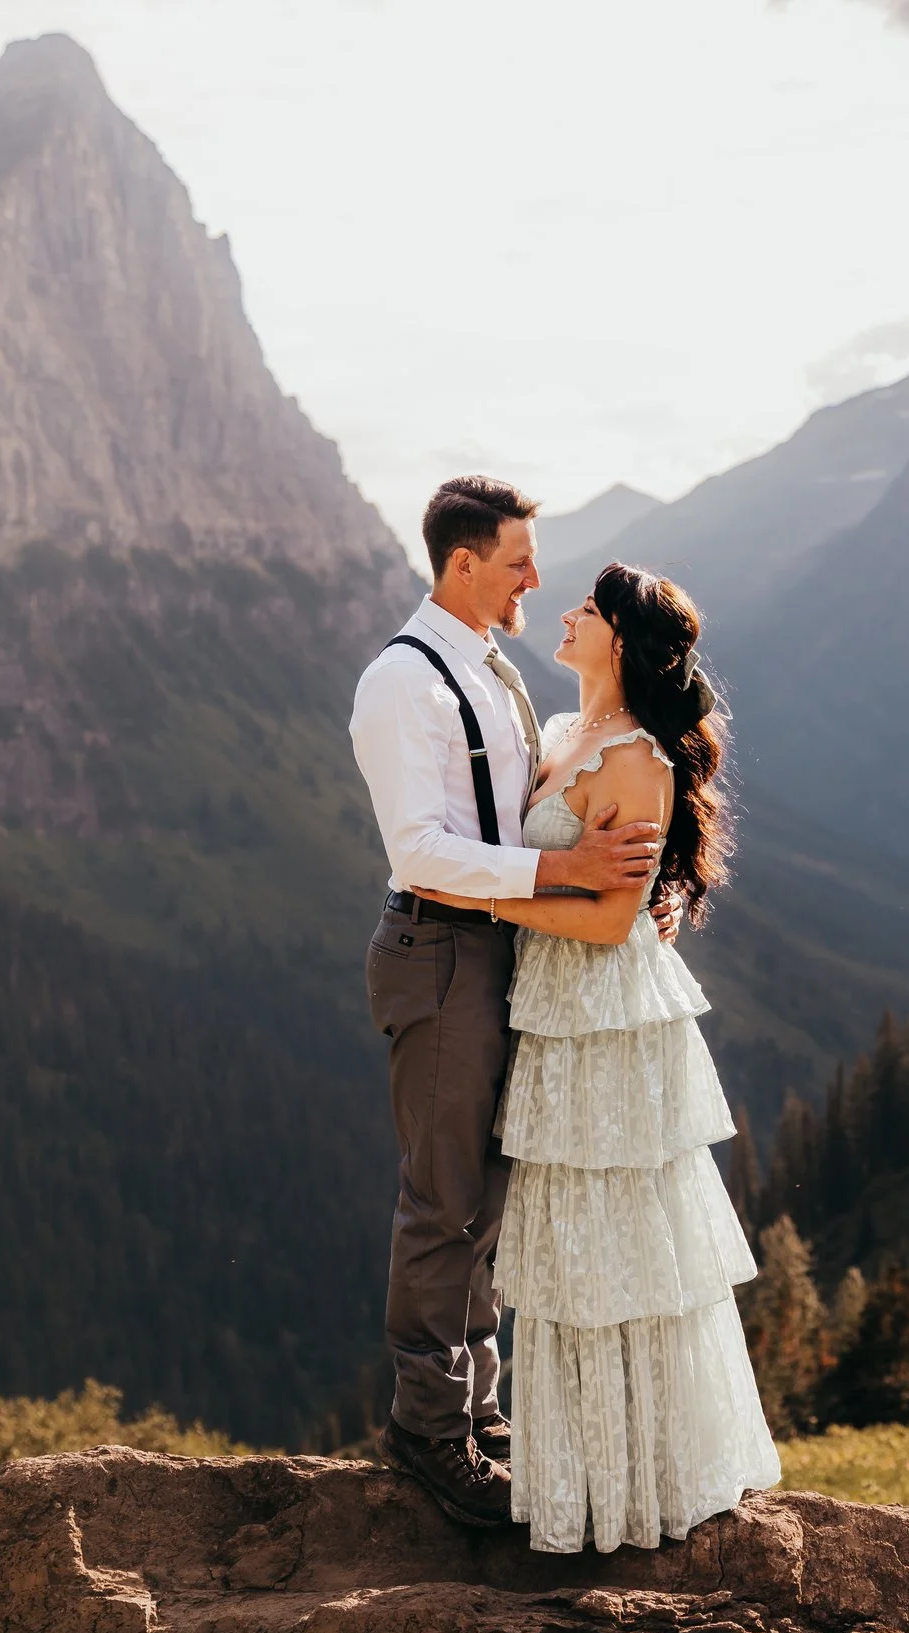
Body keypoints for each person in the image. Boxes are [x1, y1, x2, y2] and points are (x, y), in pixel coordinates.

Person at [407, 560, 781, 1553]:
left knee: (618, 1246)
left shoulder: (638, 760)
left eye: (586, 607)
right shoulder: (569, 735)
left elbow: (613, 914)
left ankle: (641, 1484)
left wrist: (475, 895)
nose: (564, 614)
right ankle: (581, 1477)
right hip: (558, 1016)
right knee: (571, 1246)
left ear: (619, 638)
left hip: (605, 1023)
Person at [347, 476, 666, 1527]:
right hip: (439, 953)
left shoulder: (490, 669)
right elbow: (424, 852)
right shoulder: (404, 681)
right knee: (444, 1198)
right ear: (462, 563)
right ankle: (430, 1432)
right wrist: (573, 882)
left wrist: (633, 889)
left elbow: (542, 806)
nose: (537, 575)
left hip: (502, 954)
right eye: (519, 557)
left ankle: (480, 1414)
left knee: (486, 1198)